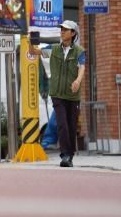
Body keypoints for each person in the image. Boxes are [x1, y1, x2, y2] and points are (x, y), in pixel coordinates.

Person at [31, 20, 85, 168]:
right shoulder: (53, 49)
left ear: (73, 33)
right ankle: (65, 155)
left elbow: (82, 67)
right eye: (61, 29)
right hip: (57, 94)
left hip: (73, 96)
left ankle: (70, 155)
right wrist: (32, 40)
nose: (62, 32)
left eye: (65, 30)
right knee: (62, 124)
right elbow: (34, 52)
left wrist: (78, 81)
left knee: (71, 126)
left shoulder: (79, 51)